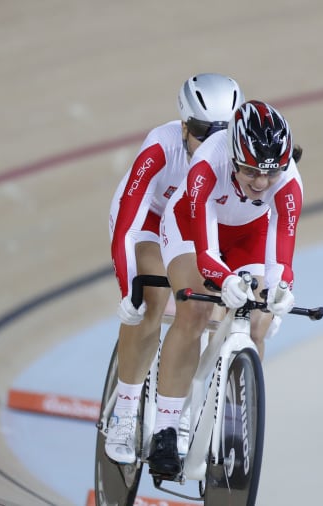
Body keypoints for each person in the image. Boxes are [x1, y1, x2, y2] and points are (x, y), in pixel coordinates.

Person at [147, 100, 303, 477]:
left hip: (249, 232)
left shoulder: (290, 183)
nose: (262, 183)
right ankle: (165, 428)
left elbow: (282, 250)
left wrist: (279, 289)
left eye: (271, 173)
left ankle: (233, 422)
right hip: (191, 225)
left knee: (258, 322)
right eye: (251, 171)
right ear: (234, 156)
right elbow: (205, 254)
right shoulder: (206, 165)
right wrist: (225, 280)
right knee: (196, 310)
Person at [104, 73, 244, 465]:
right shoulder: (160, 148)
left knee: (202, 310)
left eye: (225, 131)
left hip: (191, 226)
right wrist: (127, 285)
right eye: (203, 131)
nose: (214, 141)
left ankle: (180, 415)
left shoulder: (236, 156)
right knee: (152, 298)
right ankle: (125, 410)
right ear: (184, 127)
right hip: (148, 223)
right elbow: (128, 226)